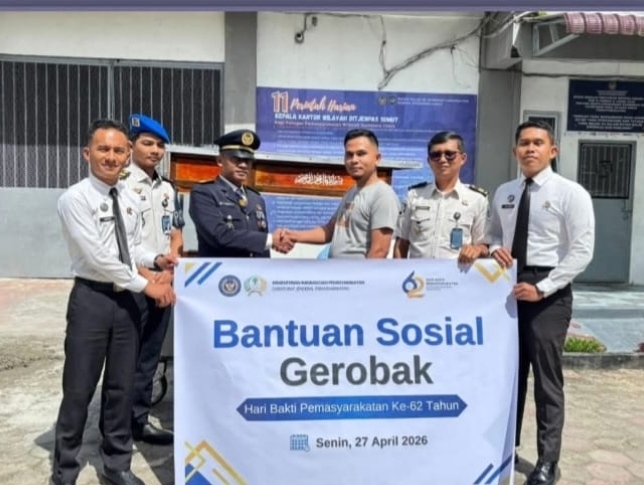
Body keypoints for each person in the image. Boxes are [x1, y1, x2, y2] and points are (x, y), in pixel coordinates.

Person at [52, 119, 176, 485]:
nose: (111, 156)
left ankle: (117, 465)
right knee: (79, 389)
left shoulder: (128, 198)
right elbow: (98, 258)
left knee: (122, 387)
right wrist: (147, 285)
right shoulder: (75, 199)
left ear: (126, 155)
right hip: (92, 299)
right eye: (103, 149)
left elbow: (131, 248)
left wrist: (157, 259)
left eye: (118, 150)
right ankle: (64, 471)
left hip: (126, 307)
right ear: (87, 153)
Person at [487, 120, 595, 485]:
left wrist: (543, 287)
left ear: (553, 150)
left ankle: (548, 461)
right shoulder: (504, 192)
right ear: (515, 150)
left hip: (548, 292)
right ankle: (507, 448)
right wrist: (494, 249)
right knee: (509, 376)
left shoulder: (570, 193)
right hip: (508, 288)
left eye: (537, 143)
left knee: (547, 381)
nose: (530, 149)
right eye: (523, 143)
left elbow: (581, 251)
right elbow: (493, 235)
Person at [121, 114, 183, 446]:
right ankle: (115, 428)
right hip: (132, 284)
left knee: (149, 358)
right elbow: (120, 245)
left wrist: (170, 273)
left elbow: (176, 234)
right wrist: (150, 279)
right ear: (131, 146)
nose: (155, 150)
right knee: (124, 360)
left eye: (160, 145)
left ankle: (139, 421)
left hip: (164, 282)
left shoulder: (168, 189)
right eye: (147, 143)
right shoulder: (120, 184)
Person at [281, 129, 400, 258]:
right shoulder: (351, 191)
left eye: (361, 154)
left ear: (377, 158)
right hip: (335, 270)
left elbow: (379, 250)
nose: (354, 160)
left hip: (357, 271)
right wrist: (294, 236)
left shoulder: (383, 196)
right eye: (349, 154)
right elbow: (329, 231)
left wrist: (362, 273)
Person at [189, 129, 292, 257]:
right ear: (220, 160)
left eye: (248, 160)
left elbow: (263, 250)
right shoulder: (204, 192)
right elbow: (219, 235)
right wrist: (270, 240)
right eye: (236, 159)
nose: (243, 165)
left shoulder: (256, 199)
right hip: (223, 269)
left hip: (254, 270)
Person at [393, 131, 489, 263]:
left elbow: (484, 246)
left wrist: (476, 249)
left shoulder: (477, 200)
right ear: (429, 161)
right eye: (435, 155)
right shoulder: (414, 196)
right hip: (418, 274)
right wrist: (399, 272)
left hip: (456, 274)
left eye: (450, 154)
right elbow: (401, 243)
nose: (442, 160)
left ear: (463, 158)